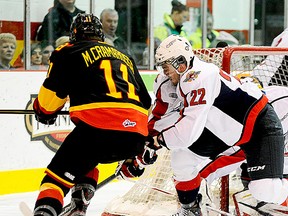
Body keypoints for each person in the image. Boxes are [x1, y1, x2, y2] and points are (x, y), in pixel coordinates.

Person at [32, 13, 154, 216]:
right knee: (87, 158)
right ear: (100, 34)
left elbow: (48, 102)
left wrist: (43, 112)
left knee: (54, 181)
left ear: (74, 34)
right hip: (134, 136)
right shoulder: (124, 56)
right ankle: (79, 207)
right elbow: (146, 102)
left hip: (96, 132)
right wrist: (137, 151)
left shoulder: (68, 51)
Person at [153, 34, 288, 215]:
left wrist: (157, 142)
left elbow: (187, 133)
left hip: (259, 126)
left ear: (180, 62)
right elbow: (167, 119)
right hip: (231, 132)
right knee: (182, 159)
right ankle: (190, 210)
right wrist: (143, 143)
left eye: (166, 65)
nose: (164, 71)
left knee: (264, 189)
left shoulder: (199, 76)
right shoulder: (179, 82)